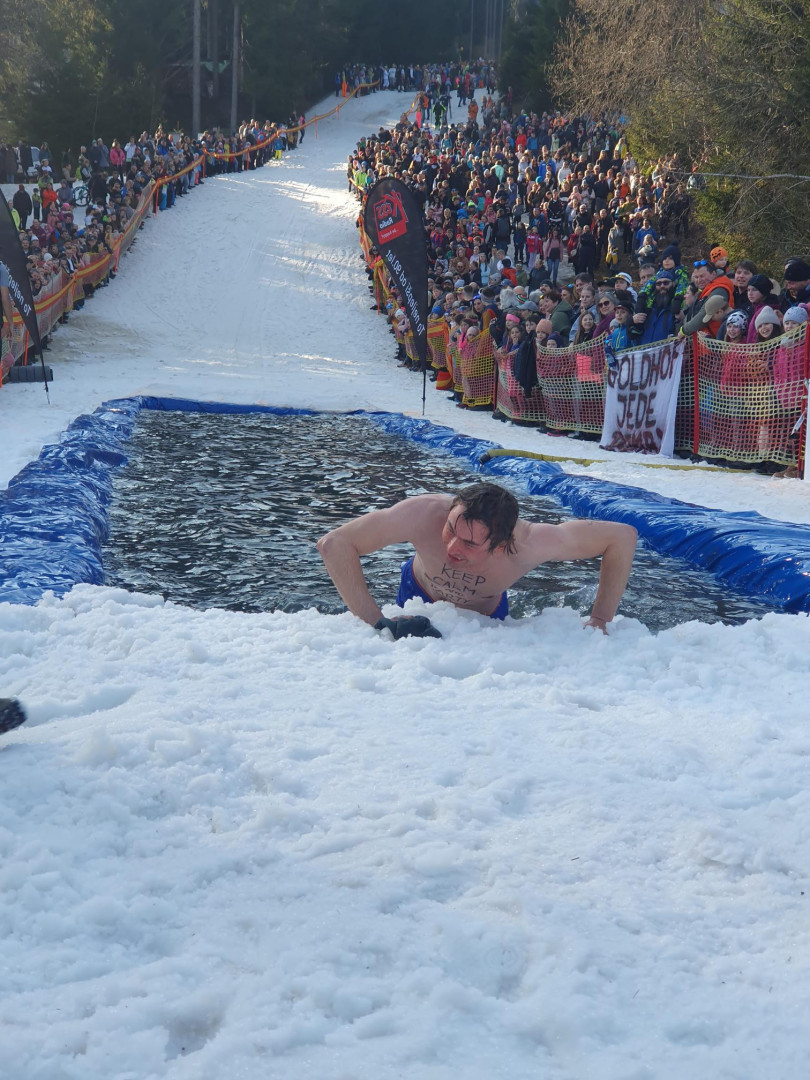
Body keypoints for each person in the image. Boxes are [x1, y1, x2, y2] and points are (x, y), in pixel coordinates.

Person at [317, 482, 637, 637]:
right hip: (417, 591)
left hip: (486, 612)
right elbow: (334, 544)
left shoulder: (533, 543)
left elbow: (622, 537)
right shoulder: (423, 513)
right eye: (450, 529)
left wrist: (600, 619)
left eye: (469, 543)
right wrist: (377, 620)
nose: (452, 547)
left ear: (501, 546)